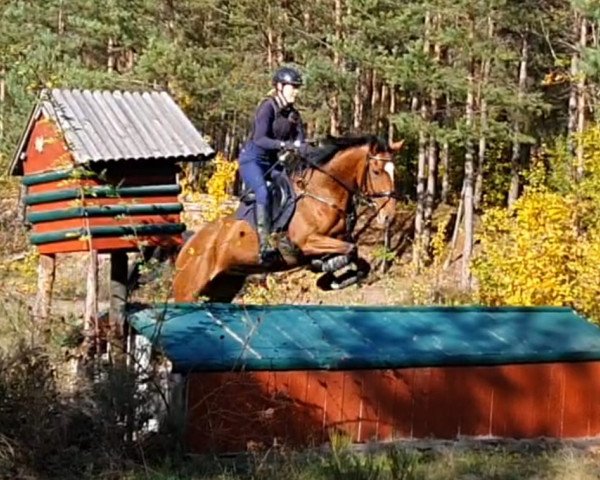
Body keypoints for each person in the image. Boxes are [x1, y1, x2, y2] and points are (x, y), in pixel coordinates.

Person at [238, 66, 307, 264]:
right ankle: (264, 246)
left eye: (297, 87)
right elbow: (260, 139)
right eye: (292, 87)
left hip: (273, 162)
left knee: (292, 194)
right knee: (263, 193)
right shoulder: (267, 107)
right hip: (252, 160)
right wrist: (285, 145)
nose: (296, 91)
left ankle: (284, 236)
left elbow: (300, 142)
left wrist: (305, 149)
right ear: (279, 87)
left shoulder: (294, 115)